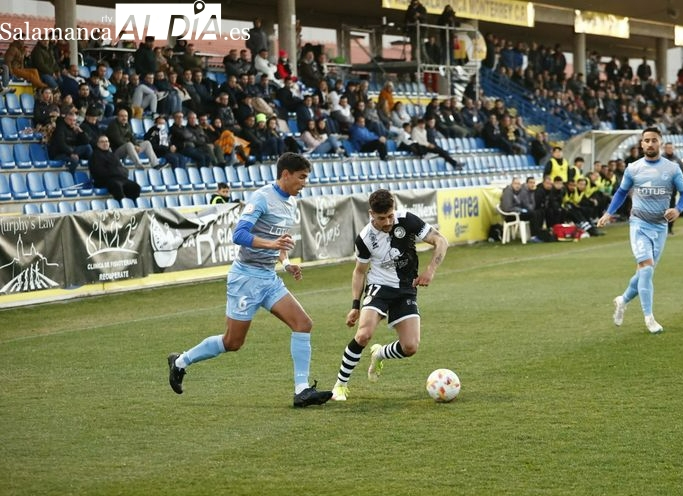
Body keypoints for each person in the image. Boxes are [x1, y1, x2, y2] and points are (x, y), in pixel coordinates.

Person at [167, 153, 333, 408]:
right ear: (286, 174)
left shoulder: (291, 203)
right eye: (301, 177)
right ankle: (180, 361)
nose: (304, 183)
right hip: (245, 278)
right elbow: (239, 234)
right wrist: (271, 244)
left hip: (268, 277)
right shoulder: (262, 197)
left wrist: (286, 263)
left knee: (303, 324)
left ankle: (301, 391)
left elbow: (280, 242)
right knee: (232, 342)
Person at [330, 189, 449, 401]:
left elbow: (441, 241)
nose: (387, 222)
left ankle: (380, 354)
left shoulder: (407, 220)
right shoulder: (365, 238)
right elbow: (359, 271)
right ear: (371, 214)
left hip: (405, 288)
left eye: (390, 216)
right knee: (363, 334)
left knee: (410, 347)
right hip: (379, 287)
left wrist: (430, 270)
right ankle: (339, 385)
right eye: (381, 218)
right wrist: (355, 305)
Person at [597, 127, 683, 334]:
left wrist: (678, 209)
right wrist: (608, 213)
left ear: (660, 143)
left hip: (660, 227)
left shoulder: (672, 168)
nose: (650, 143)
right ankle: (649, 318)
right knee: (647, 268)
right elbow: (621, 192)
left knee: (643, 273)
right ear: (641, 144)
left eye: (654, 140)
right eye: (646, 140)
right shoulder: (633, 168)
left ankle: (622, 300)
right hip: (639, 225)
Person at [88, 136, 142, 201]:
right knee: (117, 186)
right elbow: (99, 172)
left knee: (135, 187)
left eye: (106, 141)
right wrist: (116, 171)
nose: (105, 143)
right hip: (105, 181)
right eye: (102, 142)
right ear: (98, 144)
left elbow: (124, 170)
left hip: (119, 178)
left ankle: (133, 206)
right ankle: (122, 206)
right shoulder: (95, 156)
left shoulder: (112, 155)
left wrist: (116, 171)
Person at [662, 142, 683, 235]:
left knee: (671, 208)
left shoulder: (677, 160)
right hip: (662, 188)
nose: (669, 149)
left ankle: (670, 228)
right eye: (667, 148)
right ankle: (662, 228)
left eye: (670, 148)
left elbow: (681, 174)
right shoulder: (660, 160)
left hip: (672, 189)